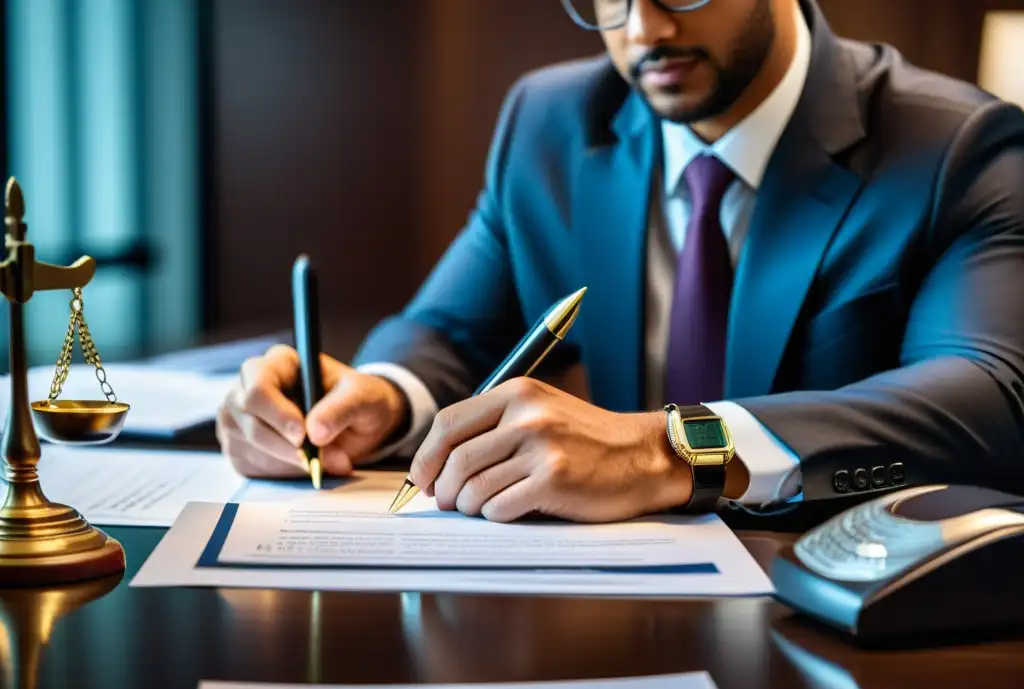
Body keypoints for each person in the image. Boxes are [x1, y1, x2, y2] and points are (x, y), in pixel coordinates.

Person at [216, 0, 1024, 525]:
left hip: (843, 619)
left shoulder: (958, 146)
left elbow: (991, 397)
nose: (642, 30)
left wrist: (665, 450)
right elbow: (450, 328)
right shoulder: (552, 119)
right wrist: (379, 401)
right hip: (617, 610)